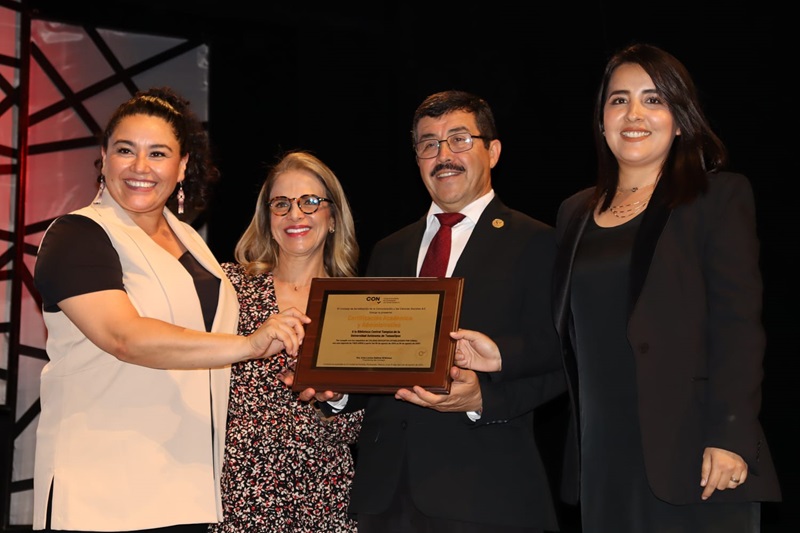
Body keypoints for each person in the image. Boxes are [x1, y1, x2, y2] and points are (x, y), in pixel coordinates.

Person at [454, 43, 783, 532]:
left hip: (697, 454)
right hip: (602, 456)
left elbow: (738, 328)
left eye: (653, 100)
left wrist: (730, 436)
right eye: (619, 100)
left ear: (680, 118)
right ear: (602, 119)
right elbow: (575, 336)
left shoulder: (717, 197)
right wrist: (502, 355)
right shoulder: (575, 212)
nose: (634, 114)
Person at [32, 87, 309, 533]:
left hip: (187, 492)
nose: (140, 167)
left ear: (181, 167)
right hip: (102, 494)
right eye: (125, 150)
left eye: (158, 153)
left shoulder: (192, 242)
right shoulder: (78, 235)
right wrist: (248, 345)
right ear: (104, 158)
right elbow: (124, 337)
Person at [299, 90, 566, 532]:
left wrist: (484, 400)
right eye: (429, 144)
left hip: (484, 493)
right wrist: (339, 390)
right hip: (385, 498)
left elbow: (562, 357)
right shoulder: (389, 250)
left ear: (493, 152)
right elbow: (380, 363)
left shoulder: (538, 242)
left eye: (459, 139)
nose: (443, 156)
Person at [209, 150, 363, 533]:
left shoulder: (357, 302)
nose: (295, 214)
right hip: (238, 493)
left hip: (324, 497)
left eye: (310, 201)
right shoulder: (229, 286)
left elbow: (360, 428)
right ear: (267, 219)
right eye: (281, 204)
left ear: (333, 218)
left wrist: (334, 398)